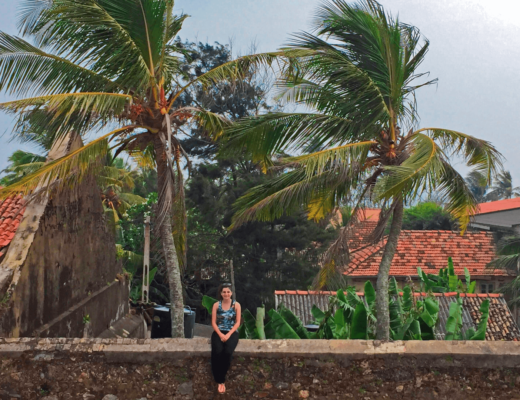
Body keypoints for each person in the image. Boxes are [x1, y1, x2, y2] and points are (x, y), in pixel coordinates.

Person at [211, 283, 241, 394]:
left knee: (228, 352)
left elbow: (238, 322)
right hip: (218, 332)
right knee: (217, 352)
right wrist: (220, 334)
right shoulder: (216, 305)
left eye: (228, 292)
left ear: (231, 293)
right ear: (221, 293)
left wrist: (228, 335)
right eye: (224, 292)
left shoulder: (236, 305)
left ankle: (222, 379)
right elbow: (213, 322)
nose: (226, 294)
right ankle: (219, 380)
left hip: (232, 332)